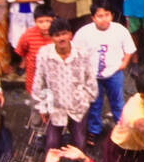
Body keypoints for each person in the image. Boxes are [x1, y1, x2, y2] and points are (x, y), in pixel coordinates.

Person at [73, 0, 136, 145]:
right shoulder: (84, 33)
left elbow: (129, 48)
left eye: (107, 15)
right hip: (92, 76)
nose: (103, 19)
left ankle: (122, 128)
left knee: (118, 102)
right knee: (95, 103)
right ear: (93, 18)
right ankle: (94, 130)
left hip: (114, 73)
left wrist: (124, 63)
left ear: (112, 16)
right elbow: (76, 53)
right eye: (99, 16)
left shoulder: (119, 30)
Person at [31, 18, 97, 152]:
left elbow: (90, 79)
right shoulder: (44, 54)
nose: (61, 38)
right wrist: (43, 107)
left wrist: (85, 100)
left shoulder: (81, 53)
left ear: (70, 34)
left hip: (78, 105)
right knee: (52, 143)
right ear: (51, 37)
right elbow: (39, 81)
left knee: (79, 141)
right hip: (55, 106)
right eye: (57, 35)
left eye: (64, 34)